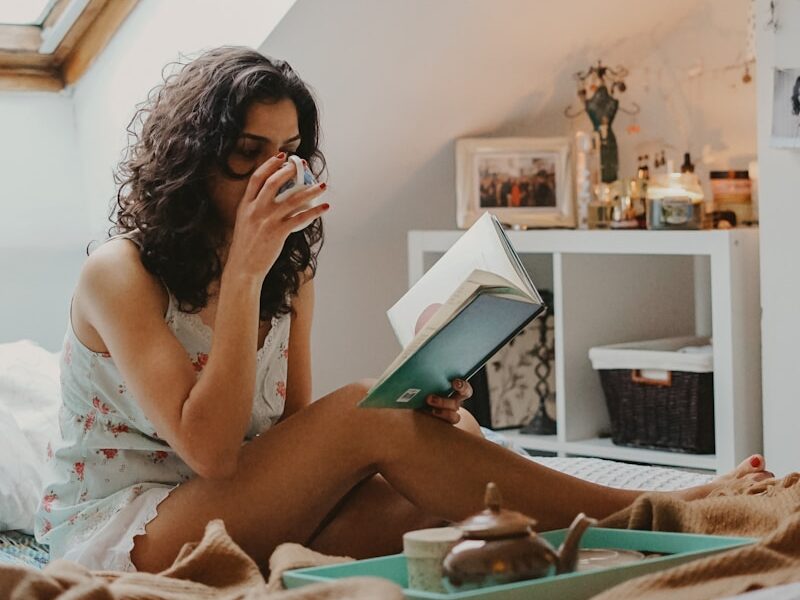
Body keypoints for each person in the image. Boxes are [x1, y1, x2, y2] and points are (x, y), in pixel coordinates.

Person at [33, 46, 772, 575]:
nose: (274, 173)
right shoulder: (121, 273)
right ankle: (655, 512)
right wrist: (243, 277)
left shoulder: (291, 265)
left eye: (288, 151)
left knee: (444, 481)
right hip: (134, 526)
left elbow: (286, 440)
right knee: (368, 412)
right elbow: (214, 453)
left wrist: (418, 407)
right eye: (247, 151)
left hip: (230, 504)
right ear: (193, 157)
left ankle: (621, 527)